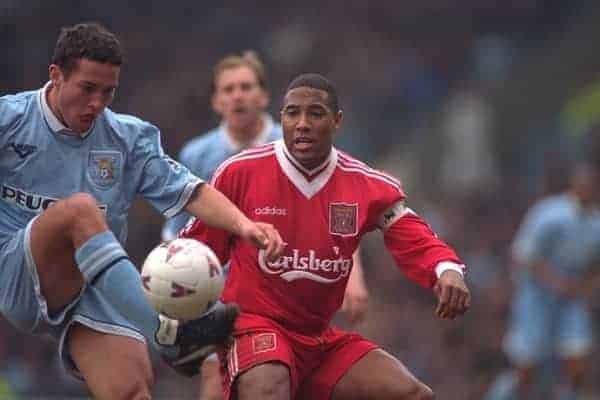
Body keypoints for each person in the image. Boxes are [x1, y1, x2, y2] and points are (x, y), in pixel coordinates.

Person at [0, 22, 285, 400]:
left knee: (131, 390)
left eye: (108, 92)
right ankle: (170, 336)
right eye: (87, 89)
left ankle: (167, 336)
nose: (98, 104)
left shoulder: (127, 137)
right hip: (18, 272)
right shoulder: (10, 120)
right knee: (80, 211)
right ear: (56, 75)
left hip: (94, 289)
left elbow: (190, 191)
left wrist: (244, 224)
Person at [180, 73, 471, 400]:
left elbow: (413, 235)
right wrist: (177, 305)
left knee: (411, 394)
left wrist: (446, 269)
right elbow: (198, 251)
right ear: (282, 119)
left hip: (318, 340)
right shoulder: (239, 172)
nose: (302, 123)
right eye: (292, 113)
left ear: (337, 121)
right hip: (254, 326)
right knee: (269, 383)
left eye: (315, 114)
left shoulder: (366, 184)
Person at [163, 52, 370, 400]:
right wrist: (180, 299)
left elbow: (339, 215)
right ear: (216, 101)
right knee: (216, 388)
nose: (237, 96)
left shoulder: (297, 141)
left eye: (246, 87)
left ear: (263, 97)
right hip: (223, 296)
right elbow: (179, 235)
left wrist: (355, 277)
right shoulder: (197, 155)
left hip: (289, 291)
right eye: (228, 89)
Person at [485, 163, 600, 400]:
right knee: (527, 367)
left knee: (577, 358)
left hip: (571, 299)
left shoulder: (596, 224)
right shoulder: (549, 213)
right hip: (537, 297)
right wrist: (555, 282)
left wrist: (587, 286)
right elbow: (524, 255)